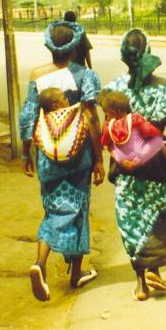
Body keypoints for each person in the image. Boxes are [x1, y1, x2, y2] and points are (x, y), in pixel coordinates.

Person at [102, 29, 166, 301]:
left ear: (123, 56)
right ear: (148, 53)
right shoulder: (162, 85)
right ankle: (154, 268)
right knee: (155, 212)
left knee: (131, 216)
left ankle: (141, 282)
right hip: (156, 159)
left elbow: (108, 128)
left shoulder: (115, 88)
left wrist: (112, 158)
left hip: (125, 163)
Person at [19, 20, 105, 302]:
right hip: (78, 156)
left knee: (53, 210)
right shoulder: (86, 76)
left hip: (48, 156)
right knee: (78, 209)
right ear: (74, 46)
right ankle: (77, 272)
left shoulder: (36, 75)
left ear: (49, 46)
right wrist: (98, 159)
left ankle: (40, 263)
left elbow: (28, 117)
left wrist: (25, 152)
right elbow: (91, 118)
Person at [99, 90, 166, 171]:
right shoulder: (135, 118)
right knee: (158, 139)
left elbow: (105, 142)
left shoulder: (108, 125)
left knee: (112, 146)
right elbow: (149, 130)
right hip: (140, 157)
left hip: (123, 158)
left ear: (116, 112)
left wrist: (105, 145)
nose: (107, 117)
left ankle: (124, 162)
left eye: (108, 115)